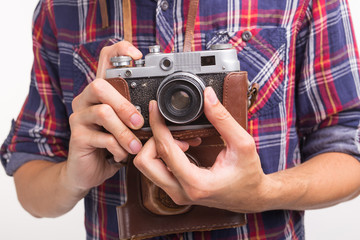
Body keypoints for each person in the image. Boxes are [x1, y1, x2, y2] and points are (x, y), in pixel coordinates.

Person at [1, 0, 360, 239]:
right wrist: (70, 177)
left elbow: (349, 148)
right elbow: (32, 176)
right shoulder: (60, 9)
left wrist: (262, 193)